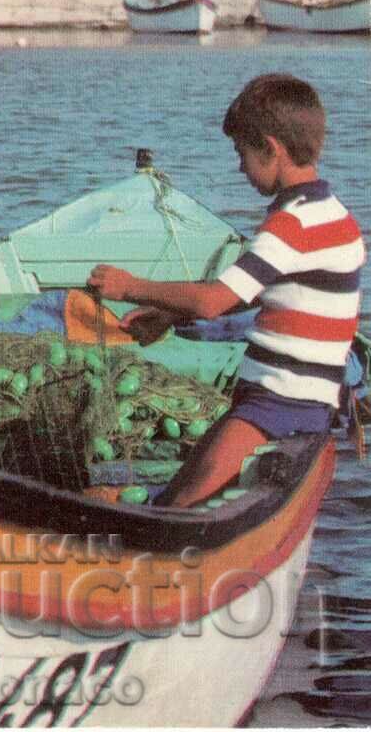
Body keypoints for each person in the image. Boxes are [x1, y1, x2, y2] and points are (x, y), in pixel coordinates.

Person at [88, 74, 365, 507]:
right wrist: (172, 315)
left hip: (279, 404)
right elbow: (268, 290)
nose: (240, 167)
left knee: (180, 508)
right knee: (183, 487)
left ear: (271, 149)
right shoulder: (336, 217)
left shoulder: (290, 225)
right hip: (298, 401)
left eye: (242, 153)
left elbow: (215, 301)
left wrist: (130, 286)